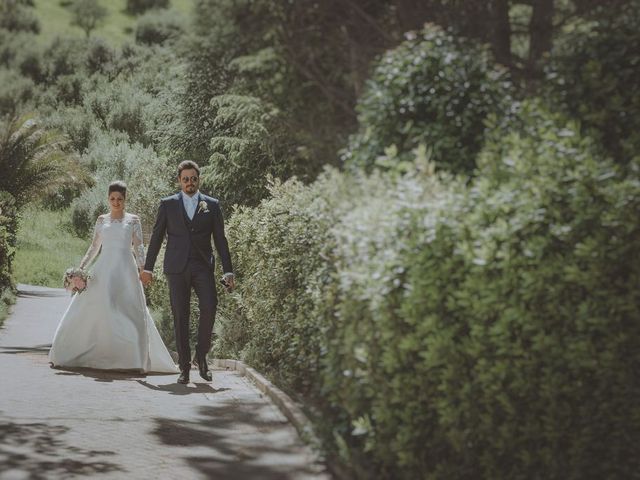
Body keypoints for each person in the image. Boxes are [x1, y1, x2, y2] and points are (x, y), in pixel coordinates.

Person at [49, 181, 178, 374]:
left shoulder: (133, 220)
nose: (116, 202)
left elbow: (139, 247)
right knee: (101, 306)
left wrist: (144, 269)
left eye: (120, 199)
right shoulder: (102, 220)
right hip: (104, 269)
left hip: (126, 269)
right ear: (108, 199)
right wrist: (81, 267)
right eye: (112, 199)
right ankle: (90, 353)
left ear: (125, 200)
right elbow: (94, 247)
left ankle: (132, 358)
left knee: (127, 310)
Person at [140, 161, 235, 385]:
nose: (190, 182)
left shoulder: (212, 205)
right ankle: (184, 367)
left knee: (210, 306)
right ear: (179, 181)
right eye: (185, 179)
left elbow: (220, 240)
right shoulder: (168, 205)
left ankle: (201, 356)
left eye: (193, 178)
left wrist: (228, 270)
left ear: (198, 179)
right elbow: (155, 238)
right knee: (180, 315)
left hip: (203, 266)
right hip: (176, 268)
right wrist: (148, 268)